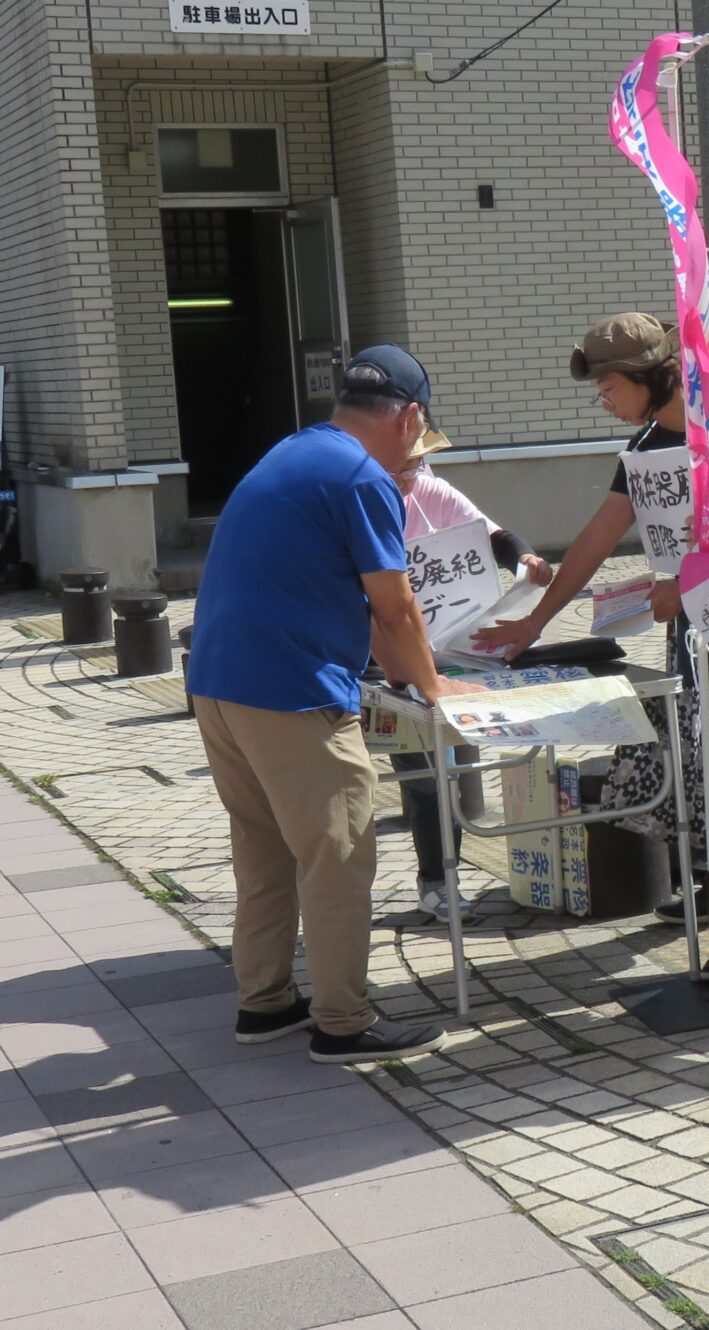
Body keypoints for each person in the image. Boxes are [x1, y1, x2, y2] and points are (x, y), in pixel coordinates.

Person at [189, 345, 475, 1064]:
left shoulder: (293, 452)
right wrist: (433, 688)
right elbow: (394, 603)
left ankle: (265, 1002)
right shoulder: (360, 477)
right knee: (339, 850)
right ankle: (343, 1020)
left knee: (262, 849)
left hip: (218, 682)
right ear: (410, 416)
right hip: (290, 690)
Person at [472, 314, 709, 922]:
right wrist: (535, 623)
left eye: (610, 387)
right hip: (693, 635)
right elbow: (597, 537)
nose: (604, 401)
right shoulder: (645, 449)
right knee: (700, 755)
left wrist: (687, 581)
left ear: (652, 375)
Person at [389, 426, 553, 921]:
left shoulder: (428, 491)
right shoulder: (358, 499)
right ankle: (434, 882)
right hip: (385, 654)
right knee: (422, 773)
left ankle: (446, 878)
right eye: (400, 467)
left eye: (415, 465)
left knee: (456, 767)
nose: (409, 476)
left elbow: (493, 534)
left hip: (451, 649)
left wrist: (524, 558)